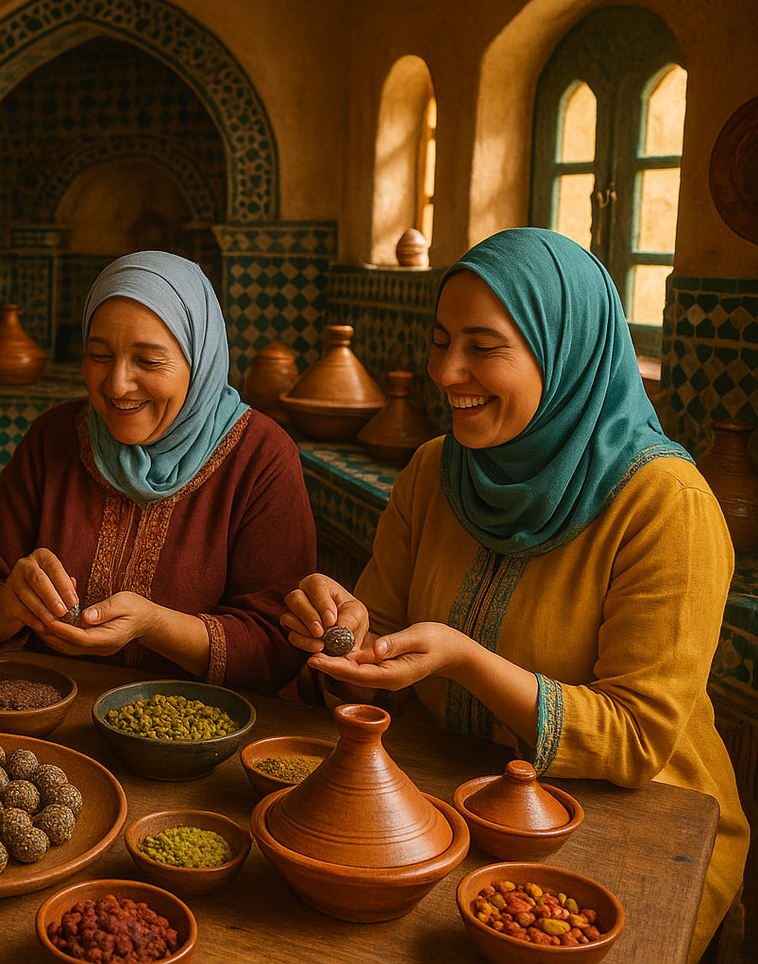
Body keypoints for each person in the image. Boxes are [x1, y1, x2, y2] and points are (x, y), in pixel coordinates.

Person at [281, 228, 746, 963]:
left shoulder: (665, 504)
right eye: (439, 340)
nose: (447, 371)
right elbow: (384, 636)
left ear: (564, 353)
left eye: (483, 346)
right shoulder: (437, 470)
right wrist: (341, 624)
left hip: (636, 825)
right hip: (451, 794)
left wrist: (463, 659)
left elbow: (636, 737)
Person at [0, 250, 317, 693]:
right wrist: (9, 603)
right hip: (46, 717)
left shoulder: (260, 456)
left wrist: (154, 625)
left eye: (149, 361)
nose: (117, 384)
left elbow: (279, 644)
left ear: (200, 363)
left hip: (199, 738)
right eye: (99, 355)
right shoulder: (56, 438)